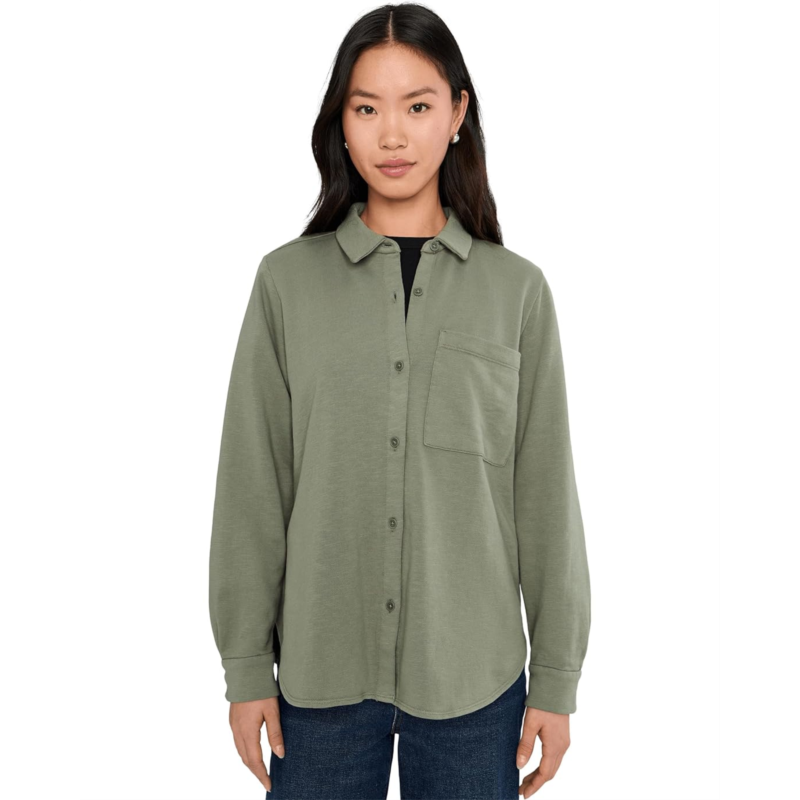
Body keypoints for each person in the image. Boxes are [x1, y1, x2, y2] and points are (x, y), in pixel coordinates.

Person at [208, 4, 591, 798]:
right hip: (317, 681)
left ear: (457, 113)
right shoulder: (286, 284)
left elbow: (545, 495)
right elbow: (253, 485)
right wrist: (245, 665)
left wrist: (556, 678)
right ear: (340, 125)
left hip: (473, 684)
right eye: (366, 108)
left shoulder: (517, 293)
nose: (392, 135)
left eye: (417, 106)